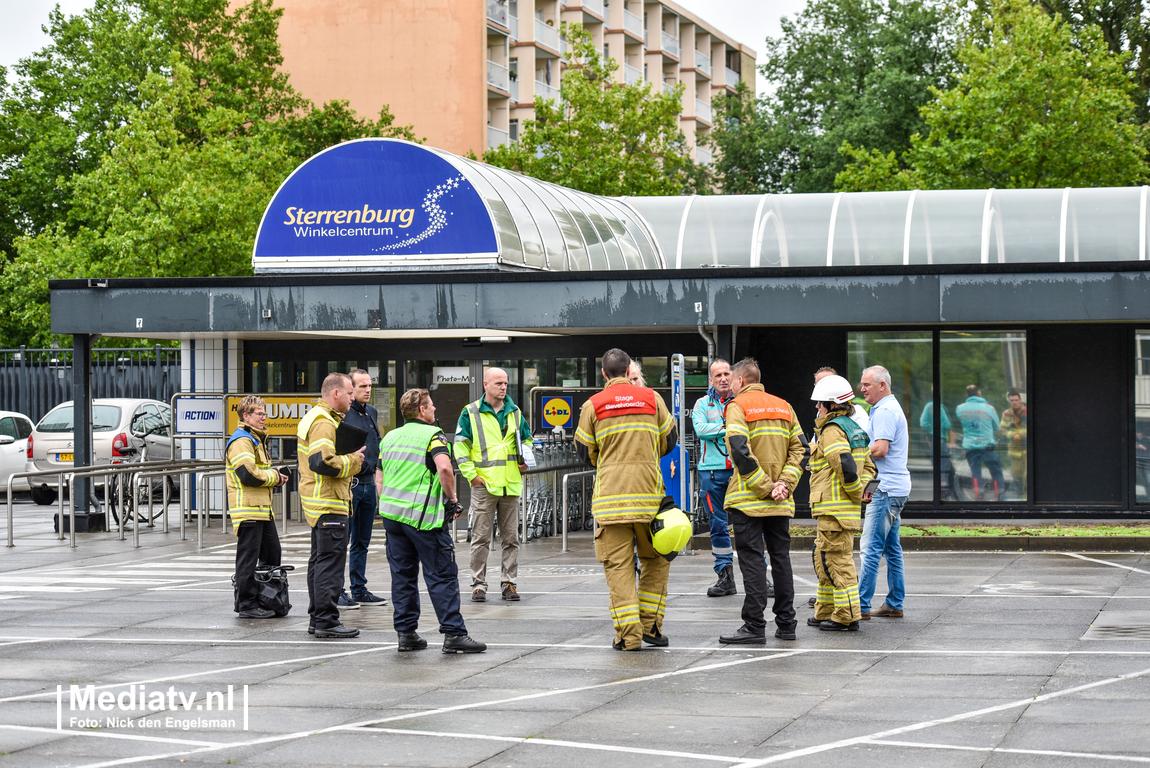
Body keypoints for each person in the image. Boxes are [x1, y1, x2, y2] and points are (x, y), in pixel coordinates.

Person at [575, 348, 677, 651]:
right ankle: (651, 627)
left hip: (611, 503)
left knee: (618, 568)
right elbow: (668, 441)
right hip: (649, 499)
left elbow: (585, 453)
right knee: (657, 560)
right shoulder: (652, 399)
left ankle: (629, 637)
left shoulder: (592, 406)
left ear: (604, 374)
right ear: (629, 369)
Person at [377, 389, 486, 653]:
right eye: (432, 406)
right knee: (441, 575)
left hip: (393, 518)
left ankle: (406, 634)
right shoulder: (433, 436)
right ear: (422, 411)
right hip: (423, 519)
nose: (435, 410)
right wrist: (452, 499)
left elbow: (378, 476)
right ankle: (454, 634)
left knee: (402, 576)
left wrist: (389, 502)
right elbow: (445, 468)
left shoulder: (390, 437)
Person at [718, 357, 806, 644]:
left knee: (753, 562)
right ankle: (787, 624)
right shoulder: (784, 406)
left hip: (748, 501)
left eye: (731, 381)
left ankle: (755, 625)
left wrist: (766, 488)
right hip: (781, 500)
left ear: (741, 381)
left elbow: (739, 450)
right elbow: (800, 450)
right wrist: (784, 484)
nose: (728, 385)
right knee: (780, 560)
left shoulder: (737, 406)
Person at [455, 367, 531, 603]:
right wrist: (471, 476)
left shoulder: (515, 412)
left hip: (510, 484)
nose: (503, 387)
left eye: (506, 383)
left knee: (511, 539)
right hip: (485, 485)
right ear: (485, 385)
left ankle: (509, 583)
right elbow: (460, 446)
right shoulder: (470, 412)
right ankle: (478, 585)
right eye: (498, 383)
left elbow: (527, 440)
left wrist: (526, 461)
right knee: (480, 539)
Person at [299, 373, 366, 639]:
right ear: (335, 393)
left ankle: (319, 618)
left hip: (319, 504)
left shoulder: (315, 417)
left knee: (320, 562)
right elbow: (322, 462)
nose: (353, 398)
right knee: (330, 565)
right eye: (349, 392)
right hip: (329, 502)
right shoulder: (324, 422)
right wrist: (354, 461)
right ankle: (326, 621)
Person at [807, 375, 875, 632]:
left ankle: (846, 616)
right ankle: (825, 610)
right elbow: (869, 467)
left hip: (834, 510)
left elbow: (846, 466)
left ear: (833, 404)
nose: (817, 408)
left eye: (820, 403)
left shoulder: (832, 430)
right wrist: (861, 489)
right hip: (835, 511)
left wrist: (855, 491)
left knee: (837, 563)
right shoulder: (853, 428)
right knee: (824, 560)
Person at [691, 358, 751, 598]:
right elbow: (700, 430)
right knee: (718, 526)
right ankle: (725, 576)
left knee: (750, 525)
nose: (724, 378)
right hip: (712, 472)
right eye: (718, 375)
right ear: (711, 380)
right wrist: (730, 429)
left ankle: (760, 577)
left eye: (727, 373)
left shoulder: (743, 402)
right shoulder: (702, 404)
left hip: (740, 471)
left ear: (735, 377)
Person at [226, 396, 289, 619]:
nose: (264, 417)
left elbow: (257, 470)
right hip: (248, 509)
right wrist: (274, 476)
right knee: (248, 560)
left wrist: (274, 472)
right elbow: (247, 474)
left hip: (262, 508)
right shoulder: (241, 440)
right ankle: (247, 605)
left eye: (264, 413)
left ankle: (267, 599)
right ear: (246, 416)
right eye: (259, 414)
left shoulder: (255, 439)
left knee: (272, 554)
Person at [858, 365, 910, 619]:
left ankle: (861, 605)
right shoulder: (885, 408)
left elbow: (880, 449)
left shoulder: (886, 410)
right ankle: (894, 602)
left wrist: (852, 456)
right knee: (892, 548)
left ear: (883, 385)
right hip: (894, 486)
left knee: (870, 548)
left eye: (867, 384)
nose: (862, 388)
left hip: (886, 488)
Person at [339, 369, 387, 609]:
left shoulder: (371, 412)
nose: (368, 390)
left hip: (368, 483)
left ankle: (358, 588)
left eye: (369, 386)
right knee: (342, 541)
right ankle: (337, 590)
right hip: (352, 483)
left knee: (362, 542)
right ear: (351, 388)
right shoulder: (343, 414)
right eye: (362, 386)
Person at [955, 384, 1005, 501]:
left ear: (966, 395)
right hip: (987, 445)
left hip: (970, 445)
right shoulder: (989, 408)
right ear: (979, 394)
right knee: (996, 471)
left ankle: (979, 495)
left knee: (975, 471)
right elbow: (997, 427)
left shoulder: (960, 408)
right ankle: (1000, 495)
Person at [814, 367, 869, 434]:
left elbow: (863, 440)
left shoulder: (856, 411)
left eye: (829, 383)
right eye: (821, 383)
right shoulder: (822, 411)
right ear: (815, 386)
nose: (825, 387)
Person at [1000, 389, 1027, 499]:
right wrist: (1011, 434)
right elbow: (1002, 429)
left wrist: (1021, 433)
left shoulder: (1027, 411)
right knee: (1015, 473)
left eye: (1016, 400)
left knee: (1027, 474)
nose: (1014, 402)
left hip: (1027, 446)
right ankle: (1021, 490)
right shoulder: (1007, 414)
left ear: (1020, 400)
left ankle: (1026, 495)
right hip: (1015, 448)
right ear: (1009, 401)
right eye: (1012, 400)